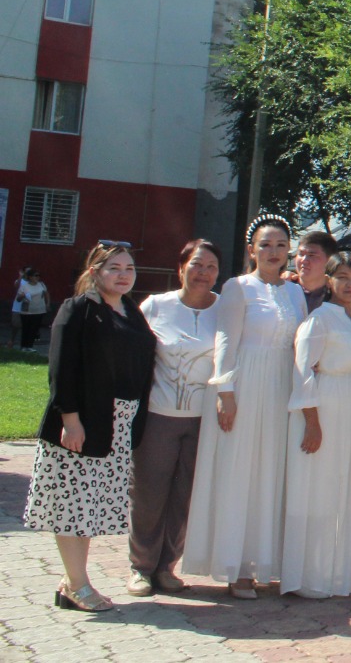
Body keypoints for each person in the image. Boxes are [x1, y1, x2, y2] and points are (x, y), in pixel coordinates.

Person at [25, 242, 155, 612]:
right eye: (114, 267)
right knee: (71, 504)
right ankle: (78, 585)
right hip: (83, 421)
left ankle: (73, 581)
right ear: (95, 271)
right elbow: (60, 368)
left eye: (129, 268)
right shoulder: (78, 309)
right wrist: (70, 420)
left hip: (118, 421)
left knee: (88, 508)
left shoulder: (131, 312)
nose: (123, 274)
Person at [184, 215, 307, 599]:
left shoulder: (295, 292)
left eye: (281, 245)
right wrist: (226, 391)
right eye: (265, 244)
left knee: (271, 473)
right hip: (246, 385)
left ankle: (263, 561)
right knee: (241, 472)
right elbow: (225, 340)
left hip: (282, 387)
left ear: (290, 251)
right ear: (251, 248)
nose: (273, 252)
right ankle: (235, 566)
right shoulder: (238, 288)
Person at [127, 238, 221, 596]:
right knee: (149, 493)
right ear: (181, 268)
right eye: (196, 264)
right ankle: (140, 567)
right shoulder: (156, 306)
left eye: (211, 266)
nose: (203, 273)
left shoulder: (226, 309)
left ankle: (167, 566)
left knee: (186, 494)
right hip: (158, 415)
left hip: (204, 419)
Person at [280, 251, 351, 599]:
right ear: (329, 280)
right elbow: (303, 374)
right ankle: (309, 575)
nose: (350, 284)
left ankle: (338, 573)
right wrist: (312, 423)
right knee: (317, 489)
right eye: (342, 277)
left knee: (345, 489)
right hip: (326, 404)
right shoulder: (319, 320)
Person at [290, 231, 339, 311]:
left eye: (312, 255)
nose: (304, 260)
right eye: (301, 254)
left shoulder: (338, 296)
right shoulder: (284, 289)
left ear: (329, 260)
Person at [12, 266, 49, 350]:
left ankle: (30, 346)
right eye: (35, 275)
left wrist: (48, 304)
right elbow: (18, 299)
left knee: (34, 329)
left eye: (38, 276)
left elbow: (46, 294)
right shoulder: (25, 286)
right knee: (26, 329)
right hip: (27, 311)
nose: (37, 277)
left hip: (39, 310)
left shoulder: (41, 284)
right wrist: (22, 296)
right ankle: (23, 346)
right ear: (30, 277)